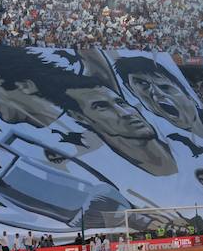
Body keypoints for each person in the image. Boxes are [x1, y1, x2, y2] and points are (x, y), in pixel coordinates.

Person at [41, 75, 177, 177]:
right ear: (79, 117)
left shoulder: (187, 146)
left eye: (121, 102)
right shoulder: (96, 171)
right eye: (101, 106)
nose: (126, 113)